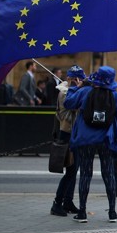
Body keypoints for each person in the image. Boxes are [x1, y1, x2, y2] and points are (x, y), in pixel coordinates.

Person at [64, 65, 117, 223]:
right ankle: (112, 212)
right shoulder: (115, 96)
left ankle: (82, 212)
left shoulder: (85, 92)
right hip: (106, 140)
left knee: (86, 174)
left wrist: (76, 88)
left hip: (86, 140)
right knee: (109, 174)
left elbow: (68, 103)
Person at [50, 65, 85, 217]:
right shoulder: (64, 92)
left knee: (74, 169)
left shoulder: (73, 90)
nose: (81, 81)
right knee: (70, 171)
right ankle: (57, 203)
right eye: (79, 79)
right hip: (67, 134)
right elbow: (73, 105)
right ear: (71, 79)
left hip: (75, 134)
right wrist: (77, 88)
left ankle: (68, 202)